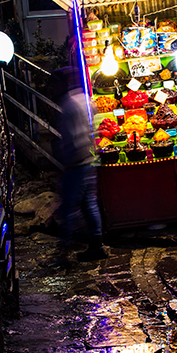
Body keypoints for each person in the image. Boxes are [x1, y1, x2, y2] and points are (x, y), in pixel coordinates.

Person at [52, 66, 108, 262]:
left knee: (69, 207)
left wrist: (68, 160)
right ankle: (96, 244)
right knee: (89, 205)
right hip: (89, 158)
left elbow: (72, 137)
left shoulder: (68, 104)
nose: (52, 88)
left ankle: (64, 251)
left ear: (62, 83)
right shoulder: (83, 98)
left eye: (54, 83)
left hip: (77, 163)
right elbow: (95, 119)